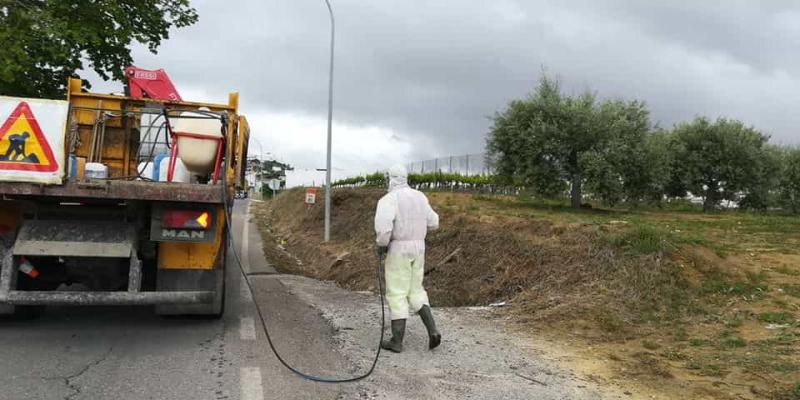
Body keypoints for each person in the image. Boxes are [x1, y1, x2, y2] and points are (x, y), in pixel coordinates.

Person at [374, 164, 441, 353]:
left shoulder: (388, 199)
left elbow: (383, 231)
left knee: (397, 292)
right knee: (416, 290)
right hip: (419, 248)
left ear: (390, 179)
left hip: (399, 249)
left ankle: (396, 341)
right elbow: (434, 222)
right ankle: (433, 330)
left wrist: (381, 245)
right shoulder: (420, 197)